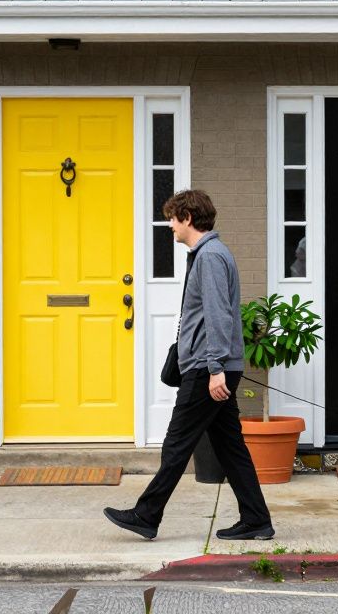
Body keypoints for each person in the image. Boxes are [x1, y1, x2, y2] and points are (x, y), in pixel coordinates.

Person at [104, 189, 273, 541]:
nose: (170, 225)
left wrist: (214, 369)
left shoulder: (210, 256)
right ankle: (256, 519)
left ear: (188, 219)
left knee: (177, 443)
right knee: (230, 446)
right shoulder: (207, 254)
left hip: (206, 369)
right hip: (211, 365)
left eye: (173, 218)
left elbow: (218, 316)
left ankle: (147, 514)